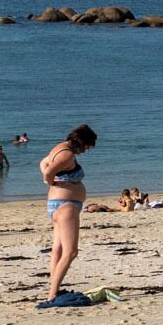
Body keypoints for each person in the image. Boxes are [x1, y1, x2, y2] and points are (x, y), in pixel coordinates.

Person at [39, 124, 97, 300]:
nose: (86, 151)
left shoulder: (59, 147)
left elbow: (42, 163)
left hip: (58, 204)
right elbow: (48, 172)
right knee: (71, 252)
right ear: (82, 142)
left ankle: (53, 291)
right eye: (87, 146)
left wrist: (53, 180)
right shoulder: (67, 154)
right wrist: (51, 181)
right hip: (66, 205)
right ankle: (52, 295)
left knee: (58, 248)